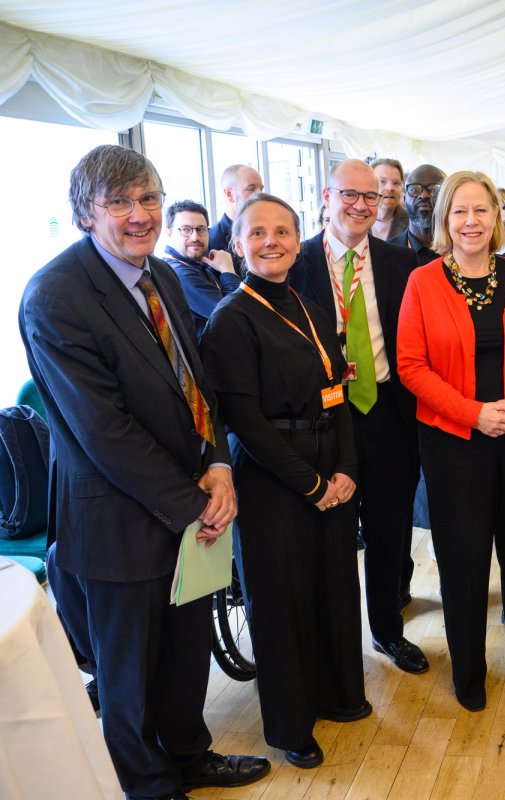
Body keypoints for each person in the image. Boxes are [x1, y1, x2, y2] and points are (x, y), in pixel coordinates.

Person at [19, 144, 269, 799]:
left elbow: (195, 385)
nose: (141, 215)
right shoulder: (55, 296)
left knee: (186, 653)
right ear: (83, 214)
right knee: (126, 676)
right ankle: (148, 784)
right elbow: (104, 432)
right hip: (117, 522)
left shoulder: (156, 273)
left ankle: (188, 753)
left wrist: (218, 461)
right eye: (120, 203)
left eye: (150, 198)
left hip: (189, 504)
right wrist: (199, 503)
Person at [201, 193, 366, 770]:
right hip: (274, 478)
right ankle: (292, 725)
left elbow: (338, 390)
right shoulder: (231, 320)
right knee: (282, 602)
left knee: (333, 587)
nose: (271, 241)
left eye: (282, 231)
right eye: (257, 233)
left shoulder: (308, 302)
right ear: (238, 245)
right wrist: (312, 483)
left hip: (329, 461)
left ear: (300, 240)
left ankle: (340, 693)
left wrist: (345, 469)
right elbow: (244, 422)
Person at [396, 170, 505, 712]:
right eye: (459, 211)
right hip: (452, 445)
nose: (471, 221)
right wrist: (474, 414)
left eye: (481, 210)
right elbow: (411, 367)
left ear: (497, 217)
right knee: (463, 562)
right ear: (445, 219)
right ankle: (468, 673)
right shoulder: (422, 282)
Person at [290, 159, 428, 675]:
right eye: (350, 195)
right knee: (331, 531)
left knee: (390, 529)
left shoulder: (401, 263)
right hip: (324, 416)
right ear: (327, 197)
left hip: (388, 413)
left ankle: (388, 632)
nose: (361, 206)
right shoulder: (296, 261)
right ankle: (335, 638)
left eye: (371, 197)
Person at [162, 199, 240, 335]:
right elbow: (234, 318)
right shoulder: (179, 273)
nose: (195, 237)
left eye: (201, 229)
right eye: (186, 230)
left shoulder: (196, 264)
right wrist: (228, 271)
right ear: (169, 233)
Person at [210, 163, 264, 258]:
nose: (260, 194)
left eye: (261, 188)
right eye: (251, 189)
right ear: (229, 194)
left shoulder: (266, 232)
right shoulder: (212, 242)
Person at [396, 163, 445, 264]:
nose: (424, 195)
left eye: (434, 190)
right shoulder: (387, 253)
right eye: (414, 189)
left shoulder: (461, 249)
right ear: (404, 200)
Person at [370, 157, 409, 241]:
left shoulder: (411, 224)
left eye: (396, 183)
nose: (390, 188)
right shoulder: (357, 218)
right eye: (382, 181)